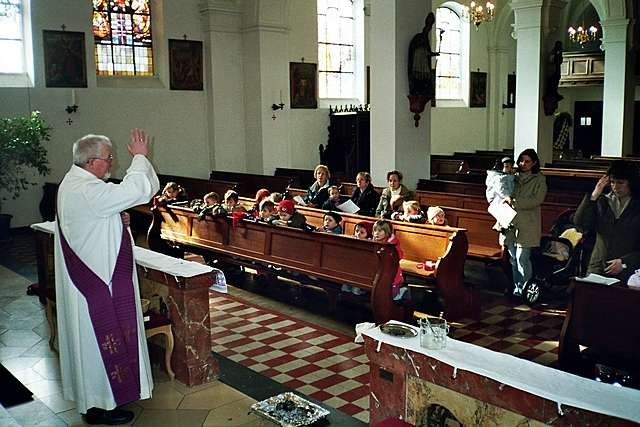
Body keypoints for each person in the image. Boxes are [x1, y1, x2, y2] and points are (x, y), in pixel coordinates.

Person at [54, 130, 159, 425]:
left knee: (92, 344)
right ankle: (103, 405)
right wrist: (139, 156)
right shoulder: (87, 189)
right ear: (91, 162)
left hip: (90, 281)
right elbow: (138, 189)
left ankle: (98, 400)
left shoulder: (75, 183)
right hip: (98, 284)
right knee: (98, 342)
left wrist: (118, 217)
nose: (111, 163)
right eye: (109, 158)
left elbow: (95, 218)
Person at [574, 160, 640, 284]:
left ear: (631, 183)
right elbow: (580, 224)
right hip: (598, 266)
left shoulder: (637, 205)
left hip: (627, 272)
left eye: (621, 183)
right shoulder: (602, 201)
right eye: (612, 182)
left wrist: (625, 262)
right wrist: (593, 196)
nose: (615, 187)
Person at [502, 148, 547, 298]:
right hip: (512, 222)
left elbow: (537, 200)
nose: (523, 164)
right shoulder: (513, 177)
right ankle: (517, 288)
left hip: (528, 224)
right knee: (513, 259)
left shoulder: (539, 179)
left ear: (534, 163)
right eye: (521, 160)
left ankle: (527, 291)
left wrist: (515, 202)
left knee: (522, 258)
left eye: (527, 161)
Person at [372, 220, 407, 302]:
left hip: (392, 271)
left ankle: (401, 292)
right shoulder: (375, 242)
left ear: (387, 232)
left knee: (393, 295)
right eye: (375, 230)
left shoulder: (393, 244)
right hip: (379, 270)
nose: (376, 233)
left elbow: (399, 256)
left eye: (380, 231)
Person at [408, 12, 439, 98]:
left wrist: (434, 54)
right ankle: (417, 90)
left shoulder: (426, 38)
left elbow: (427, 51)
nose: (429, 29)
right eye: (429, 27)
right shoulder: (419, 37)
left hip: (424, 64)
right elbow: (415, 48)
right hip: (418, 63)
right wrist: (422, 51)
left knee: (424, 78)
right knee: (419, 78)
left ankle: (423, 91)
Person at [342, 221, 373, 296]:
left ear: (368, 234)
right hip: (351, 270)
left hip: (362, 274)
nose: (358, 234)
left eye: (362, 232)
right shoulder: (352, 240)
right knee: (344, 289)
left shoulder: (370, 244)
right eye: (356, 231)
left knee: (356, 290)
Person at [486, 157, 516, 231]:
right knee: (504, 207)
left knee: (506, 209)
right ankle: (500, 224)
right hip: (497, 198)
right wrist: (507, 196)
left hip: (501, 197)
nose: (510, 169)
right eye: (506, 166)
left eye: (511, 166)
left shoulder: (505, 176)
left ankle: (503, 224)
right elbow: (500, 189)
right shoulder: (498, 177)